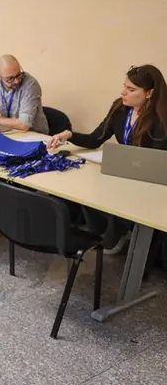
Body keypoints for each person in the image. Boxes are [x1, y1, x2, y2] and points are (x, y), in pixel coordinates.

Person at [48, 64, 167, 252]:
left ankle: (120, 235)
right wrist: (68, 135)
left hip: (149, 180)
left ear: (149, 93)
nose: (123, 92)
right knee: (88, 189)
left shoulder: (161, 119)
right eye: (124, 87)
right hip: (125, 171)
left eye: (131, 90)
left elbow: (156, 160)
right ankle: (106, 234)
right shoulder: (120, 108)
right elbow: (95, 138)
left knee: (116, 194)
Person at [0, 54, 49, 133]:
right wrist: (12, 122)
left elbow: (24, 124)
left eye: (18, 75)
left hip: (34, 134)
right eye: (10, 78)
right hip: (10, 131)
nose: (17, 81)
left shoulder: (30, 84)